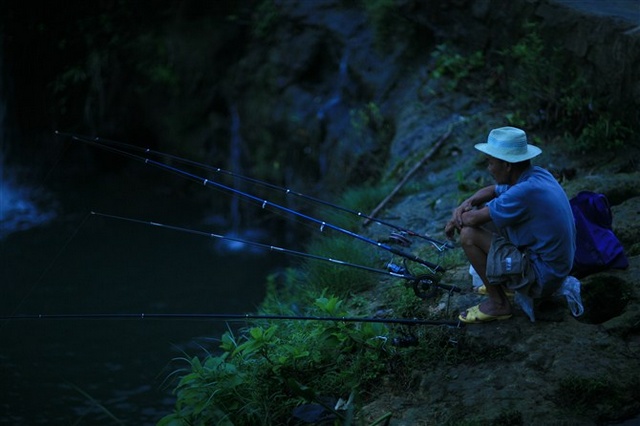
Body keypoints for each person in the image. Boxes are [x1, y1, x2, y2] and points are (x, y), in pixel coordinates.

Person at [444, 126, 575, 323]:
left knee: (469, 235)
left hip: (543, 277)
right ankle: (506, 285)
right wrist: (467, 203)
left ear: (507, 166)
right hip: (557, 267)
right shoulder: (536, 175)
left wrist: (457, 217)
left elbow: (470, 221)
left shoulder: (524, 192)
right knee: (485, 213)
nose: (489, 168)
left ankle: (499, 304)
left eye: (491, 163)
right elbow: (492, 190)